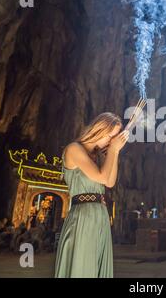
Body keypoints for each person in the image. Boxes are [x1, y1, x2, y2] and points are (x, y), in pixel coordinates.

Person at [54, 112, 129, 278]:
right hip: (83, 217)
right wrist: (114, 149)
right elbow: (102, 177)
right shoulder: (74, 149)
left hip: (100, 216)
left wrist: (114, 152)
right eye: (111, 136)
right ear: (100, 129)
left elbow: (109, 182)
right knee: (83, 268)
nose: (111, 141)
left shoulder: (98, 157)